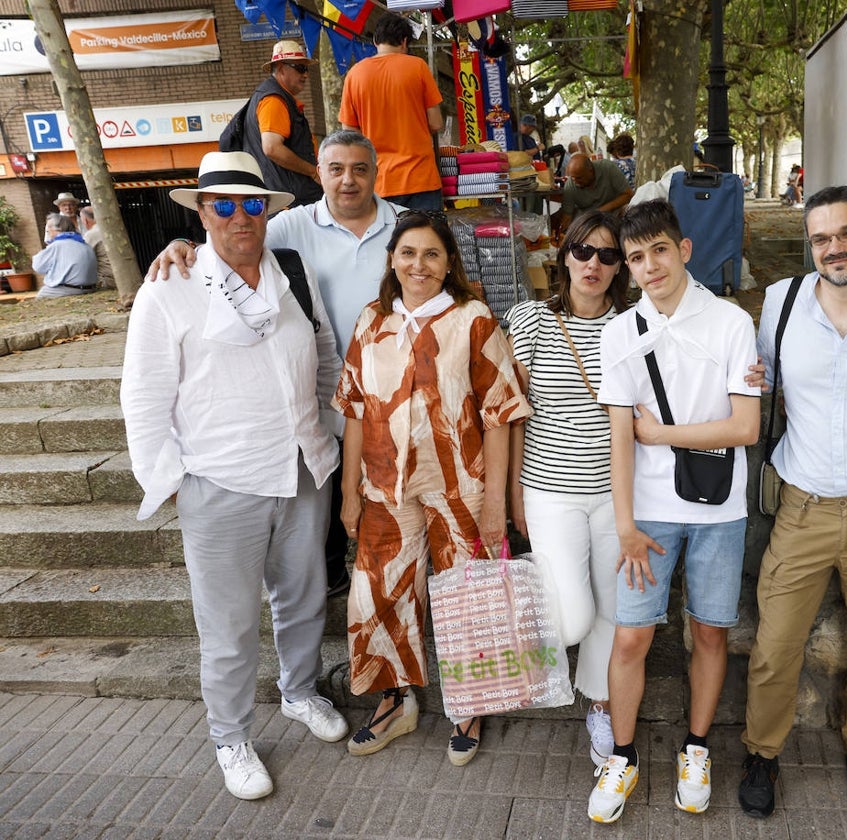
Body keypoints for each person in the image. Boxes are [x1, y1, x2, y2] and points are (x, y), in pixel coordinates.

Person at [121, 151, 349, 802]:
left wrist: (329, 435)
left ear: (268, 212)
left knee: (305, 600)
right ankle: (230, 736)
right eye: (222, 204)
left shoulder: (292, 274)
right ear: (200, 212)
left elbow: (325, 355)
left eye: (252, 204)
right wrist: (168, 482)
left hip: (304, 469)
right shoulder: (169, 289)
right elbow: (143, 397)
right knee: (228, 626)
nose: (239, 216)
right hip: (220, 481)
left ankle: (300, 692)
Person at [147, 130, 406, 599]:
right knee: (324, 534)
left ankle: (393, 599)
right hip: (330, 405)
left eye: (359, 168)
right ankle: (330, 594)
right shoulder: (290, 226)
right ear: (319, 174)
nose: (348, 180)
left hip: (398, 401)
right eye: (336, 169)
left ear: (375, 173)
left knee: (394, 510)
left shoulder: (406, 224)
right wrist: (181, 245)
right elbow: (230, 243)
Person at [739, 186, 847, 819]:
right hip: (803, 504)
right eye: (820, 238)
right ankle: (762, 752)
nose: (834, 248)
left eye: (846, 234)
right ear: (808, 244)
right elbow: (755, 377)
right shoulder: (782, 303)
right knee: (775, 644)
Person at [334, 211, 531, 766]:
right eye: (408, 253)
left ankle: (469, 704)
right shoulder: (371, 321)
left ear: (449, 265)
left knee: (467, 596)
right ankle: (396, 702)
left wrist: (495, 505)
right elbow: (354, 410)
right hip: (384, 491)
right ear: (392, 260)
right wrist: (350, 492)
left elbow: (499, 415)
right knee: (379, 597)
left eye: (431, 255)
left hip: (460, 489)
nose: (418, 265)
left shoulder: (473, 319)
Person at [587, 199, 760, 823]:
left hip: (719, 508)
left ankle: (696, 748)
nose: (649, 265)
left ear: (683, 250)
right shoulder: (619, 333)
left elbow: (745, 426)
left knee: (710, 630)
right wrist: (626, 523)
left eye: (659, 250)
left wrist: (663, 436)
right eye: (636, 257)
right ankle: (624, 757)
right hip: (649, 512)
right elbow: (618, 435)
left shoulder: (731, 323)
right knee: (631, 635)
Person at [505, 211, 630, 769]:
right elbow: (511, 418)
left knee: (611, 606)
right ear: (565, 254)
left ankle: (599, 704)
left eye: (607, 255)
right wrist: (511, 502)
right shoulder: (531, 320)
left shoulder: (634, 325)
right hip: (549, 490)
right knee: (574, 618)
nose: (594, 264)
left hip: (616, 494)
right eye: (584, 251)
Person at [339, 13, 444, 210]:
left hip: (377, 181)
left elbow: (349, 133)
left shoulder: (355, 74)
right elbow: (436, 123)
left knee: (385, 240)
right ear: (405, 41)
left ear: (375, 40)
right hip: (420, 178)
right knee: (427, 239)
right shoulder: (418, 67)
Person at [240, 40, 322, 207]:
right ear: (282, 68)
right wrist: (313, 172)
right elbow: (272, 148)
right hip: (291, 201)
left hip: (287, 199)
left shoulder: (273, 97)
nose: (305, 74)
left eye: (306, 68)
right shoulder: (273, 100)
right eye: (300, 68)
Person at [552, 155, 633, 237]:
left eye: (579, 178)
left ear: (590, 171)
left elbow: (628, 194)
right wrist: (563, 234)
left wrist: (600, 211)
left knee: (628, 210)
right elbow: (567, 216)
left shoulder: (607, 168)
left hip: (613, 212)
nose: (575, 182)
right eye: (573, 178)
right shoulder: (570, 185)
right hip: (587, 220)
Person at [33, 213, 97, 298]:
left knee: (41, 294)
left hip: (68, 290)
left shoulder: (57, 245)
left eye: (48, 227)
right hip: (90, 288)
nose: (47, 231)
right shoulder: (84, 244)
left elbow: (38, 267)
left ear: (57, 228)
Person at [78, 206, 115, 289]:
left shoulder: (91, 234)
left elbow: (83, 259)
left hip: (106, 280)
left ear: (85, 220)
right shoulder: (113, 230)